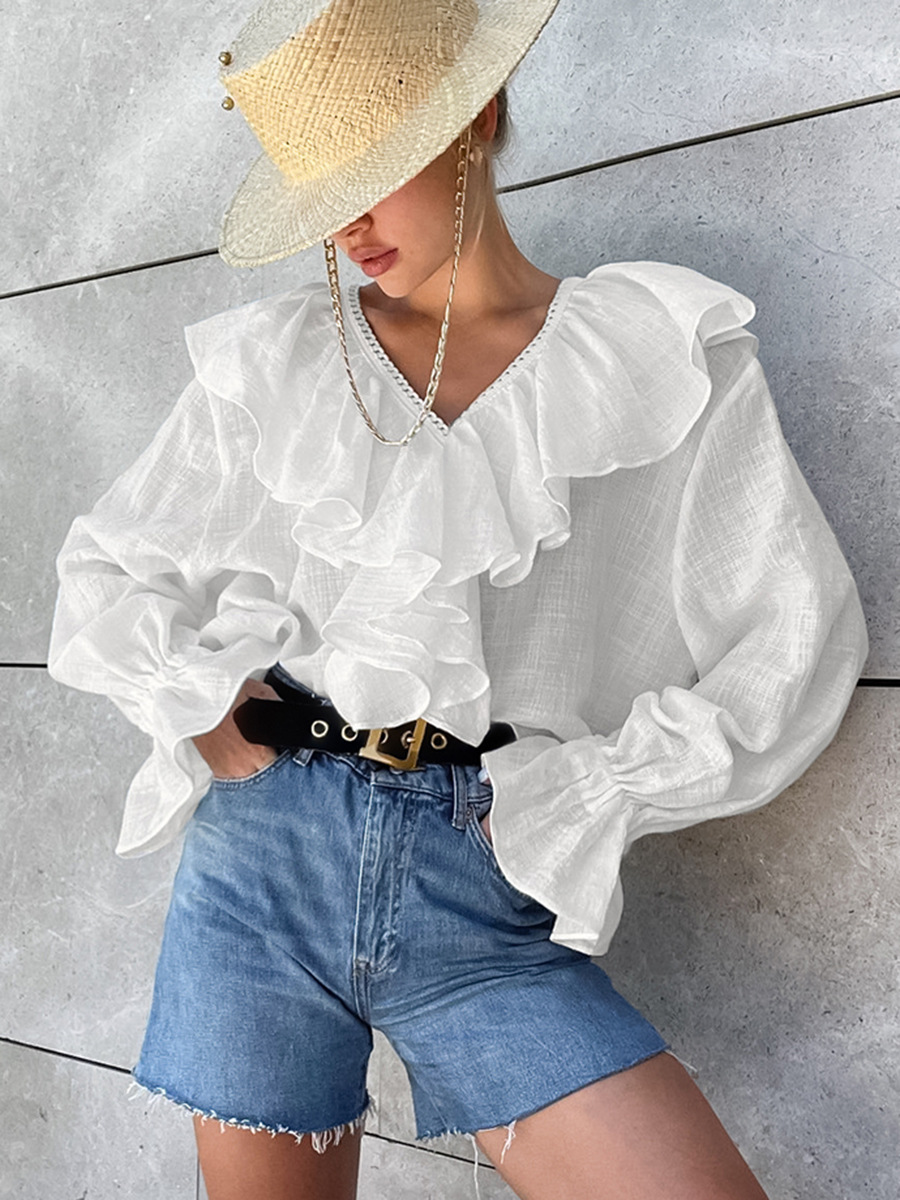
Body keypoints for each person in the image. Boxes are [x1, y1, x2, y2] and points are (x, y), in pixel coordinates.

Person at [47, 1, 868, 1198]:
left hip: (478, 877)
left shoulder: (656, 356)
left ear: (476, 115)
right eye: (319, 191)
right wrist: (202, 704)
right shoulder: (277, 361)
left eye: (369, 171)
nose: (346, 223)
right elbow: (107, 570)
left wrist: (596, 790)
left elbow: (792, 634)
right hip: (260, 870)